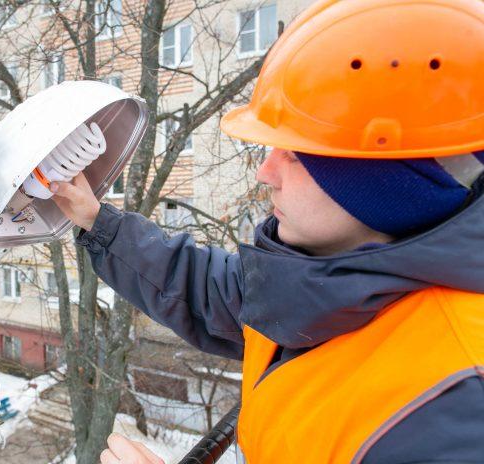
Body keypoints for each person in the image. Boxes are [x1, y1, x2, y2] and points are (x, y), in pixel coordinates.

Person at [50, 0, 484, 462]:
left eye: (296, 154)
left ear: (385, 188)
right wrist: (96, 220)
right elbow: (205, 288)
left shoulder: (453, 411)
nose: (265, 171)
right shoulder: (320, 280)